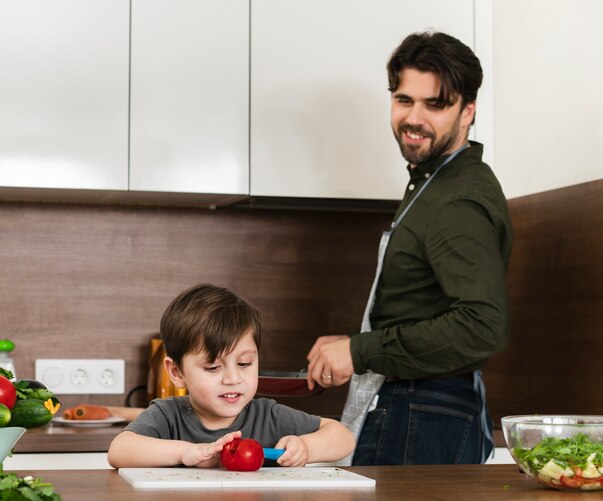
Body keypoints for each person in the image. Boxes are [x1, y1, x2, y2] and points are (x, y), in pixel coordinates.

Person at [306, 31, 513, 466]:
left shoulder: (457, 199)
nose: (414, 118)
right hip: (419, 406)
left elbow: (481, 326)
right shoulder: (432, 182)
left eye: (434, 104)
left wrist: (359, 351)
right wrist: (354, 344)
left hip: (426, 412)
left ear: (467, 112)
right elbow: (420, 307)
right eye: (404, 100)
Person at [108, 283, 355, 468]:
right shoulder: (167, 415)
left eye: (245, 363)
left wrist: (307, 447)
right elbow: (119, 451)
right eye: (214, 368)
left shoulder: (268, 416)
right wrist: (185, 452)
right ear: (177, 372)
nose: (233, 378)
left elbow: (343, 436)